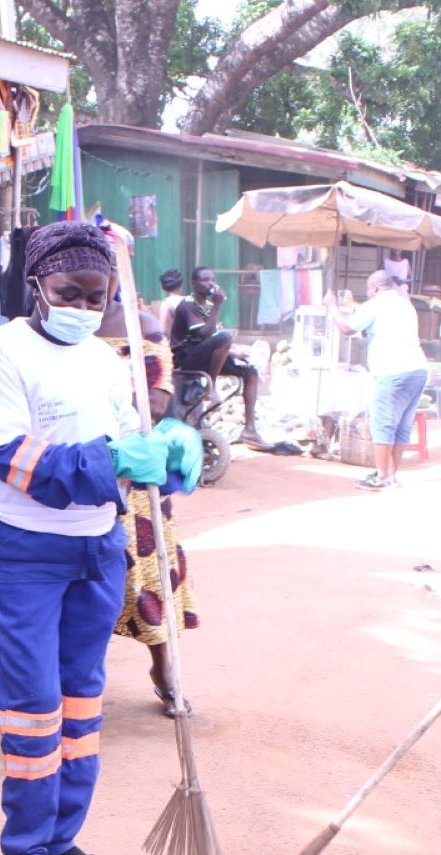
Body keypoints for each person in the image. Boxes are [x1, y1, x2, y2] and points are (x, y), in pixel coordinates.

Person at [0, 220, 187, 855]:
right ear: (37, 284)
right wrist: (112, 461)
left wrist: (169, 454)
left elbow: (131, 439)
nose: (85, 308)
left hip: (95, 545)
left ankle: (62, 836)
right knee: (33, 705)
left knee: (82, 697)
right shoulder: (1, 355)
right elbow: (16, 460)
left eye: (98, 296)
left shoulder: (104, 359)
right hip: (19, 550)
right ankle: (25, 850)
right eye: (71, 292)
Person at [102, 294, 203, 718]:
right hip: (69, 467)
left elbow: (157, 401)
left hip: (132, 468)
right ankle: (74, 683)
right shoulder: (46, 325)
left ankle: (165, 672)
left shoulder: (141, 324)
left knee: (148, 576)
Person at [331, 270, 429, 489]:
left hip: (391, 371)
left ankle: (382, 477)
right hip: (418, 369)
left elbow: (347, 328)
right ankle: (391, 473)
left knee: (383, 423)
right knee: (402, 424)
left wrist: (332, 307)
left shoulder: (374, 305)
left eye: (369, 289)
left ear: (375, 287)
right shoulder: (405, 304)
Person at [171, 265, 266, 447]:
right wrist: (218, 305)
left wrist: (234, 353)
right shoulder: (188, 304)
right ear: (194, 283)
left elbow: (215, 341)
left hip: (204, 356)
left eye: (212, 279)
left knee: (250, 371)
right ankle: (211, 385)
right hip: (186, 357)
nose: (210, 283)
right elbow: (206, 335)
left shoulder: (207, 306)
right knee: (225, 336)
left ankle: (250, 429)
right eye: (205, 280)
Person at [155, 269, 188, 344]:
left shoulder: (166, 304)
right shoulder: (188, 300)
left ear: (163, 288)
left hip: (176, 346)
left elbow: (161, 330)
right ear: (180, 285)